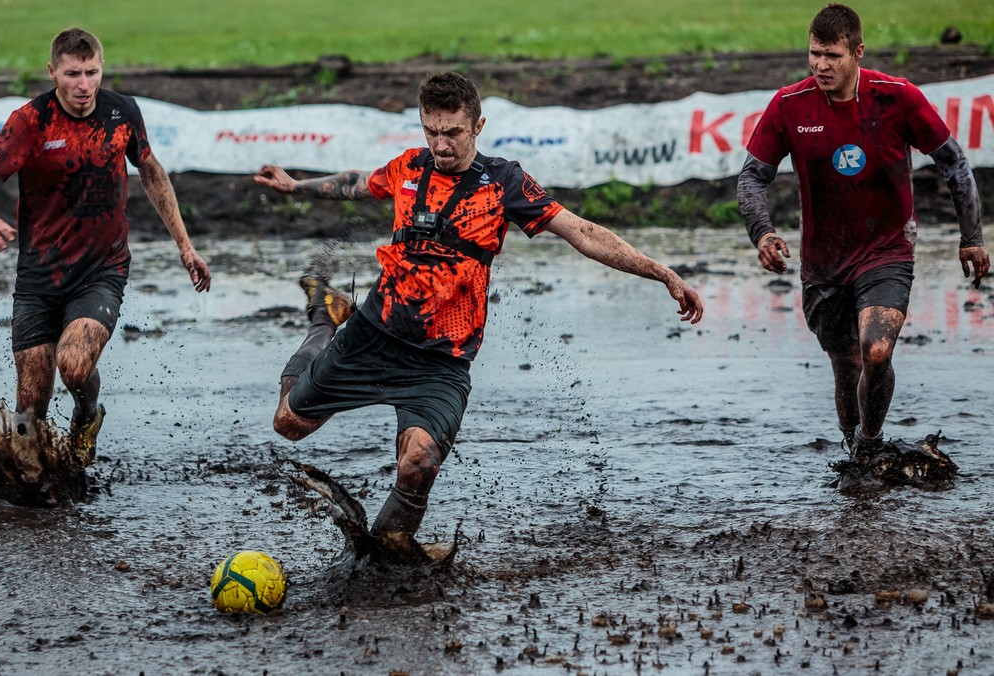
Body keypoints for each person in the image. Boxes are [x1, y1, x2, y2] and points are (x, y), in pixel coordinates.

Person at [254, 71, 703, 541]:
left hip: (441, 361)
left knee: (419, 462)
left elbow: (583, 233)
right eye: (431, 131)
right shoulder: (409, 167)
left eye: (453, 132)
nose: (441, 145)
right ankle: (326, 315)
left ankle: (389, 552)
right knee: (289, 423)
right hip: (373, 333)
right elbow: (358, 183)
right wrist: (297, 186)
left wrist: (663, 274)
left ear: (478, 126)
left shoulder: (504, 182)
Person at [737, 3, 988, 464]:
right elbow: (752, 177)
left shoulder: (897, 97)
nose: (820, 65)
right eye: (814, 54)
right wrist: (763, 233)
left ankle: (870, 445)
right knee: (846, 362)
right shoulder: (789, 105)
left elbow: (954, 163)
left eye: (832, 55)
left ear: (857, 52)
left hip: (886, 250)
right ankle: (856, 452)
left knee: (875, 350)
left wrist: (971, 236)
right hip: (823, 261)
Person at [0, 27, 211, 465]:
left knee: (73, 363)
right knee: (29, 407)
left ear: (101, 68)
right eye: (73, 74)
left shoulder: (122, 112)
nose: (83, 85)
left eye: (91, 73)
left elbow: (152, 173)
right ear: (52, 71)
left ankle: (87, 416)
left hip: (101, 269)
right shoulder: (30, 121)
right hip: (39, 273)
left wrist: (185, 247)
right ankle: (31, 489)